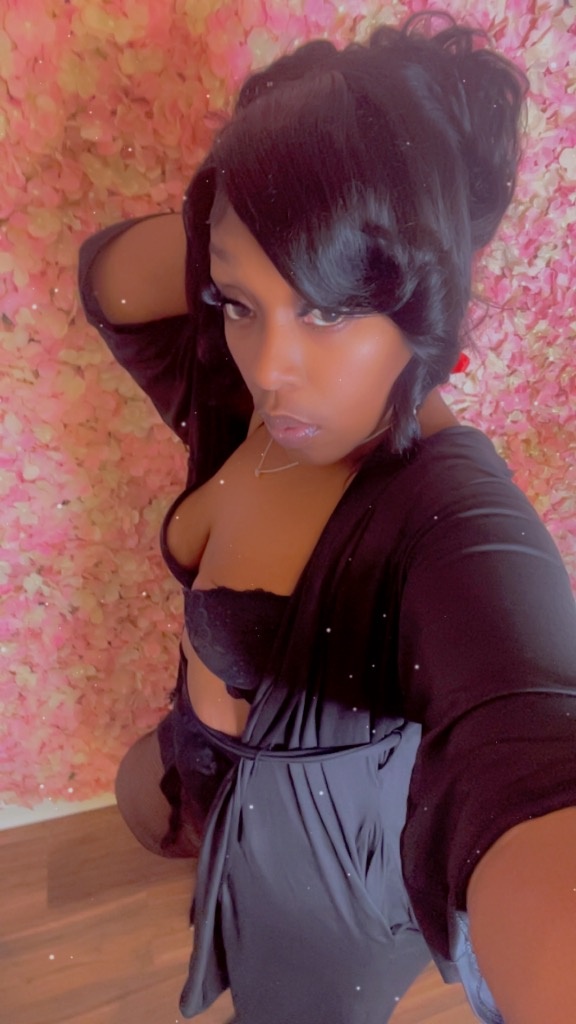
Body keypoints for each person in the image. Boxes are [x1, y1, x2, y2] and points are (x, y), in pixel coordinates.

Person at [78, 11, 576, 1024]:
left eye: (331, 308)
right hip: (209, 769)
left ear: (426, 307)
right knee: (142, 801)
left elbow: (526, 735)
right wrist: (257, 203)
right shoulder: (248, 387)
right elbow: (108, 282)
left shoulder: (449, 522)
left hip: (320, 894)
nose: (272, 366)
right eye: (238, 300)